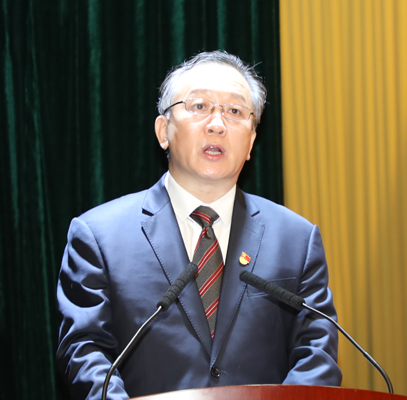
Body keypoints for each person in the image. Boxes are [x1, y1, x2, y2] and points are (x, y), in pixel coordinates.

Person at [56, 50, 342, 400]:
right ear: (163, 131)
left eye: (235, 111)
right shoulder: (99, 236)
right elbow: (84, 351)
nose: (217, 124)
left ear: (251, 142)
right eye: (200, 106)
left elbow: (316, 352)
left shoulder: (296, 239)